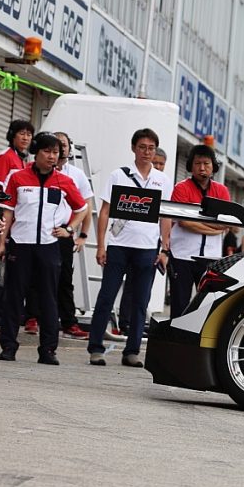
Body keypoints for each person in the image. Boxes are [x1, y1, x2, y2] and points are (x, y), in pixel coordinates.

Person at [0, 133, 88, 364]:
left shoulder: (64, 181)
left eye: (55, 152)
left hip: (49, 246)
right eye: (47, 151)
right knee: (14, 297)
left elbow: (82, 208)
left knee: (48, 298)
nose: (51, 156)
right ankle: (8, 347)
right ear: (36, 152)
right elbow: (7, 211)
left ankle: (48, 350)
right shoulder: (17, 177)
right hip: (20, 244)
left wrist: (69, 229)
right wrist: (1, 242)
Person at [87, 129, 172, 367]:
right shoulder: (119, 175)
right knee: (106, 297)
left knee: (140, 302)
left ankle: (132, 351)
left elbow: (165, 216)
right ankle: (96, 348)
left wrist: (164, 249)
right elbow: (105, 212)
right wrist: (101, 245)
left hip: (147, 249)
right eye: (142, 147)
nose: (147, 152)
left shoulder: (163, 180)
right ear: (133, 148)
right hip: (118, 247)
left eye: (151, 148)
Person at [0, 119, 33, 325]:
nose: (25, 137)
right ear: (12, 135)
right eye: (21, 133)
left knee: (8, 264)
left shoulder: (23, 160)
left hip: (15, 218)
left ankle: (1, 308)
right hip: (2, 215)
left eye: (29, 134)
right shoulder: (5, 157)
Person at [168, 144, 231, 318]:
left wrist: (200, 222)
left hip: (211, 257)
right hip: (182, 256)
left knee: (208, 307)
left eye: (206, 163)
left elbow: (226, 224)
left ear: (213, 166)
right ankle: (175, 335)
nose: (202, 168)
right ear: (191, 165)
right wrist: (214, 228)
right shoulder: (181, 188)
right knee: (179, 306)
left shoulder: (222, 191)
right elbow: (184, 222)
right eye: (197, 163)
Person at [113, 145, 167, 338]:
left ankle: (137, 323)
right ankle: (125, 322)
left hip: (153, 242)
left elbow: (166, 218)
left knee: (145, 287)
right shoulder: (130, 178)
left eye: (161, 164)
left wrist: (164, 248)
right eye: (156, 163)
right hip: (129, 240)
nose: (158, 166)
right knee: (130, 284)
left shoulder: (163, 184)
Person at [53, 132, 93, 338]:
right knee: (37, 276)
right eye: (57, 144)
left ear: (69, 148)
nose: (61, 149)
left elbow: (87, 206)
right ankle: (32, 317)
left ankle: (69, 322)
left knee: (65, 278)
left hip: (65, 231)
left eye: (64, 145)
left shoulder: (76, 175)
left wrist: (82, 234)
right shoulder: (40, 171)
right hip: (40, 231)